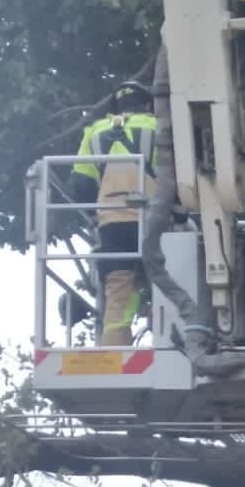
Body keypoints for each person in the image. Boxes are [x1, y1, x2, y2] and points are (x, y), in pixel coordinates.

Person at [70, 80, 156, 347]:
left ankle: (113, 350)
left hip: (112, 223)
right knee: (167, 281)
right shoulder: (157, 126)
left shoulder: (94, 131)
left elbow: (81, 182)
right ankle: (173, 345)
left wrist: (94, 216)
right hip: (154, 219)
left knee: (119, 289)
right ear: (147, 104)